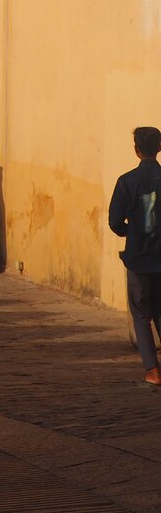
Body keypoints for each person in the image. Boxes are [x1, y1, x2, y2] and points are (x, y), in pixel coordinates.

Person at [109, 126, 161, 385]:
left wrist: (135, 232)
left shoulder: (126, 181)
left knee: (141, 313)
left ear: (136, 150)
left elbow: (115, 222)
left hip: (139, 257)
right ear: (159, 148)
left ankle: (152, 369)